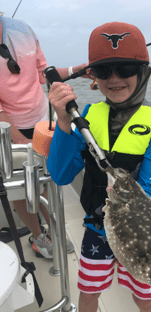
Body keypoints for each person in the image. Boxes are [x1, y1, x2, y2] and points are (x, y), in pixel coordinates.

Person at [47, 22, 151, 312]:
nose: (114, 78)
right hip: (97, 229)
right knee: (89, 290)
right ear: (93, 76)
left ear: (143, 72)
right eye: (104, 70)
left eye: (126, 67)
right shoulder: (85, 115)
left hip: (139, 234)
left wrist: (123, 194)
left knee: (145, 296)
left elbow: (150, 183)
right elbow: (60, 174)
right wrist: (62, 121)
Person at [0, 14, 91, 258]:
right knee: (21, 187)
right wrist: (20, 141)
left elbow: (43, 73)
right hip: (7, 129)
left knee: (46, 179)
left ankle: (53, 229)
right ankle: (39, 237)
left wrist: (78, 70)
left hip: (42, 120)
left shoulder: (23, 30)